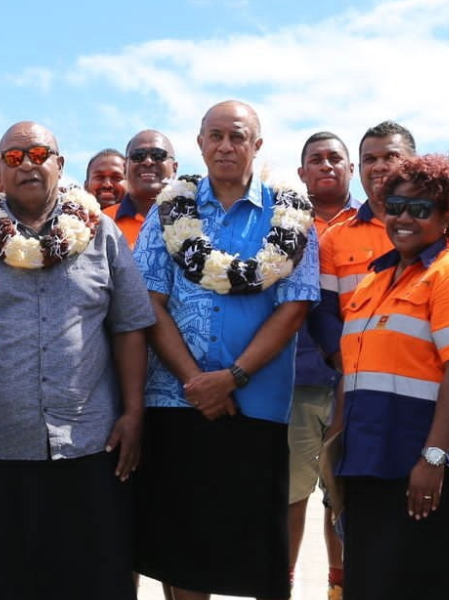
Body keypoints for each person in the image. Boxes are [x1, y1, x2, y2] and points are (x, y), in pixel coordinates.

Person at [0, 121, 156, 599]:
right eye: (13, 158)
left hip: (90, 444)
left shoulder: (102, 234)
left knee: (88, 582)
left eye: (37, 153)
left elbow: (130, 327)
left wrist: (133, 413)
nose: (27, 164)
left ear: (60, 163)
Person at [133, 100, 321, 600]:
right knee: (185, 549)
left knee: (252, 552)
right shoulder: (168, 211)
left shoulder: (292, 215)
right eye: (214, 136)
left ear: (257, 146)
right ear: (199, 144)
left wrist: (231, 378)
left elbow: (294, 307)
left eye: (237, 137)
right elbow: (147, 302)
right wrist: (197, 382)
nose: (225, 146)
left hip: (256, 403)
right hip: (176, 400)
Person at [331, 152, 449, 599]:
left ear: (447, 218)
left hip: (422, 468)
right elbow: (354, 373)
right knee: (370, 585)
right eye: (395, 206)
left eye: (420, 209)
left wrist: (433, 459)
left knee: (428, 585)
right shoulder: (372, 281)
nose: (404, 217)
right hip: (367, 463)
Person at [288, 130, 355, 598]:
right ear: (301, 172)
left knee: (344, 497)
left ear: (350, 168)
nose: (326, 165)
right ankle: (281, 584)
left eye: (336, 158)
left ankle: (339, 587)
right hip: (296, 378)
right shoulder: (284, 222)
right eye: (316, 160)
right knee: (291, 494)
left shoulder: (382, 220)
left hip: (358, 382)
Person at [105, 130, 179, 247]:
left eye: (158, 155)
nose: (148, 162)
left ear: (174, 168)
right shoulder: (101, 222)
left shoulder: (200, 218)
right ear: (125, 168)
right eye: (138, 156)